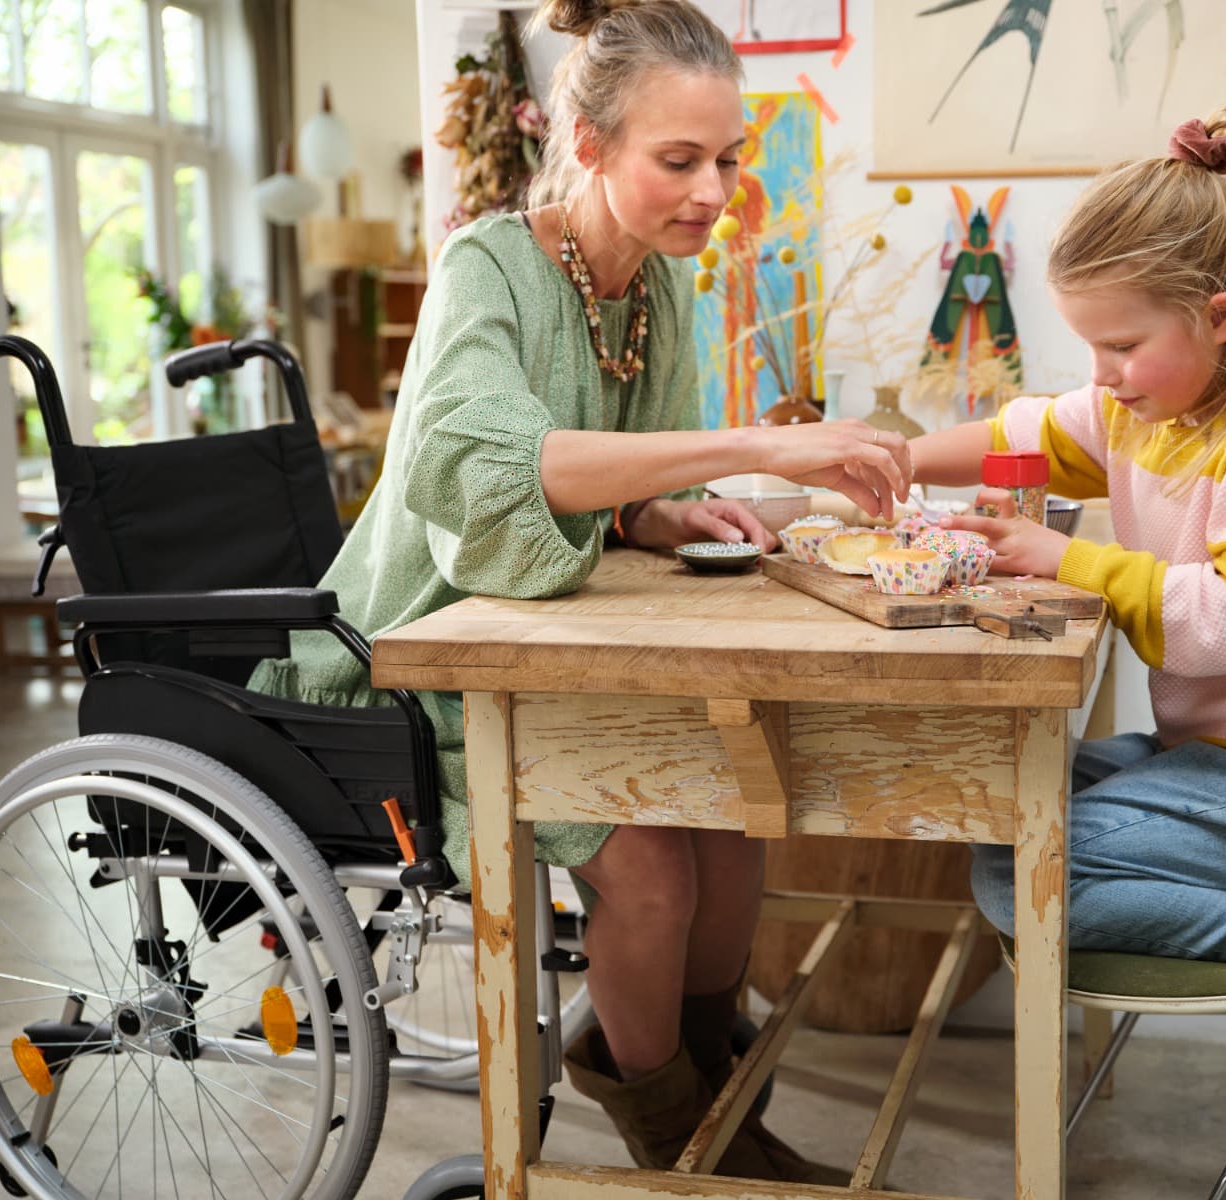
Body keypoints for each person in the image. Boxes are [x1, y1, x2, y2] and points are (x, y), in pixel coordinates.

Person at [251, 0, 903, 1181]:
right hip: (419, 662)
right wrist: (750, 445)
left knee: (731, 824)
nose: (712, 189)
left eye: (727, 158)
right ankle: (675, 1147)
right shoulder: (482, 268)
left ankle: (712, 1111)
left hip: (556, 640)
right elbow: (501, 471)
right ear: (590, 146)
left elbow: (615, 488)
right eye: (679, 159)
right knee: (650, 869)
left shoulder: (653, 289)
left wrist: (670, 512)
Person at [910, 107, 1226, 967]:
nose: (1101, 377)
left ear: (1220, 317)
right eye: (1091, 348)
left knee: (1020, 875)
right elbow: (1022, 435)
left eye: (1119, 345)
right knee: (996, 803)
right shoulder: (1153, 408)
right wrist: (896, 456)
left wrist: (1067, 559)